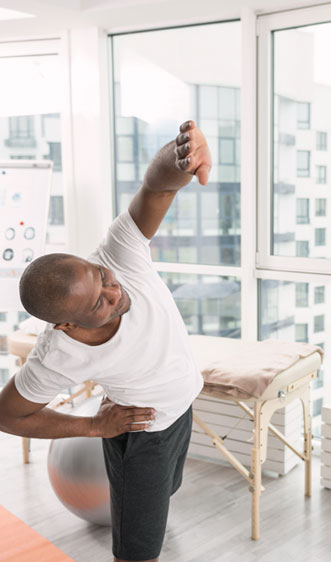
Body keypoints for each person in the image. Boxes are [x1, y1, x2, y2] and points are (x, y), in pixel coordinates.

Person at [0, 120, 212, 562]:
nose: (116, 294)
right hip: (144, 434)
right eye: (98, 304)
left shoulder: (117, 253)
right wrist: (93, 427)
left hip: (182, 409)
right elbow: (8, 415)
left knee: (166, 494)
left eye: (102, 279)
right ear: (67, 327)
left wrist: (181, 158)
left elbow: (156, 188)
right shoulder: (57, 355)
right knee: (137, 552)